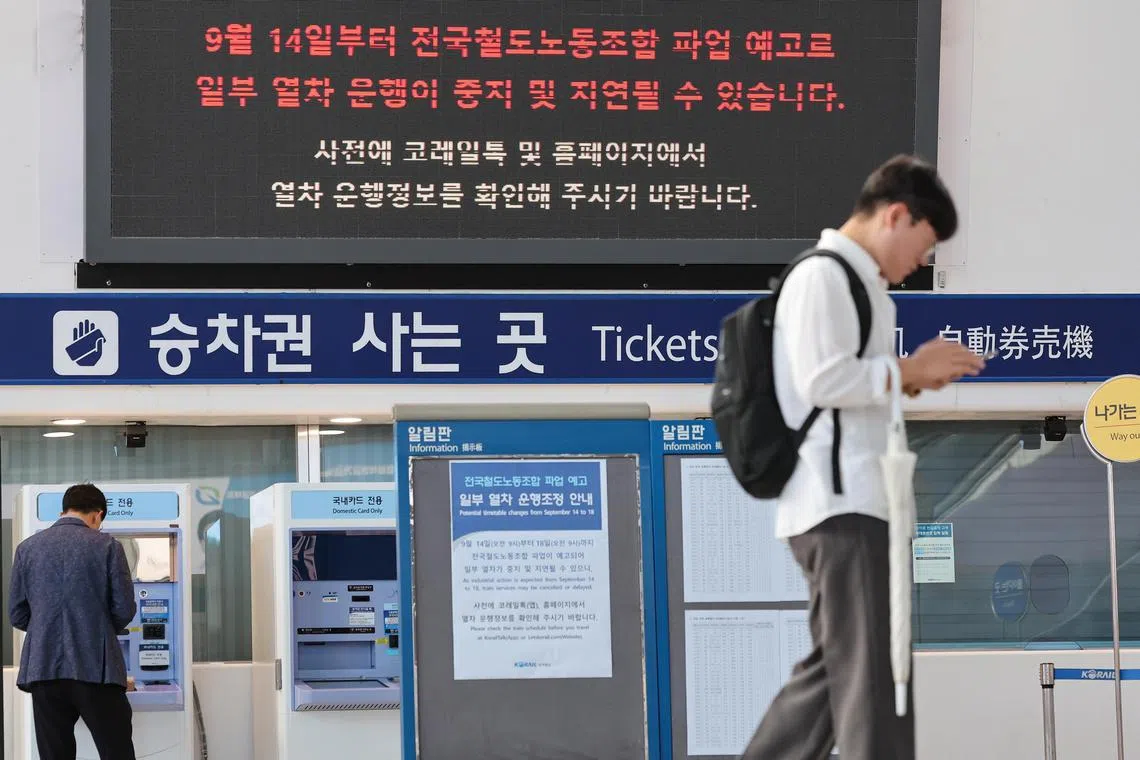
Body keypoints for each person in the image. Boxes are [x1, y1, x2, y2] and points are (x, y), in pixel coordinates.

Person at [739, 155, 985, 760]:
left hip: (848, 504)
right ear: (896, 216)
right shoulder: (825, 276)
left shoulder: (854, 283)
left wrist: (906, 381)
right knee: (877, 679)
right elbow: (823, 380)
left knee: (835, 679)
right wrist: (908, 370)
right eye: (924, 244)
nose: (921, 262)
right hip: (843, 504)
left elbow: (840, 388)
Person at [9, 482, 137, 760]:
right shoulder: (108, 546)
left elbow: (17, 614)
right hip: (96, 668)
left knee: (55, 754)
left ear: (64, 510)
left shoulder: (27, 549)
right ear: (97, 515)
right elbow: (124, 608)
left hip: (43, 669)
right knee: (117, 751)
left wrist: (46, 629)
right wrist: (100, 630)